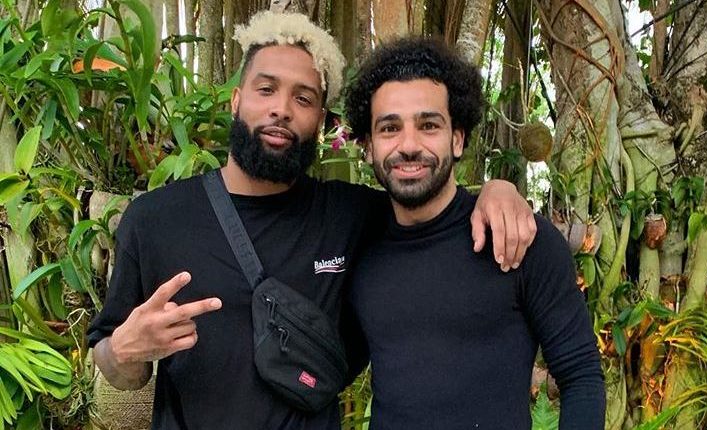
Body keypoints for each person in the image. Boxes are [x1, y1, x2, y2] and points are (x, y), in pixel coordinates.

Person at [86, 12, 537, 430]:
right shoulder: (155, 220)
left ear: (320, 120)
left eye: (303, 98)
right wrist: (124, 350)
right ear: (237, 101)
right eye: (266, 90)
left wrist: (499, 190)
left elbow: (436, 204)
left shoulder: (351, 215)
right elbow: (117, 368)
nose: (282, 109)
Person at [344, 36, 606, 429]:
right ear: (368, 146)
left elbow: (581, 374)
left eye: (428, 125)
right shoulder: (356, 244)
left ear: (457, 138)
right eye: (389, 128)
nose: (409, 145)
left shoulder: (518, 238)